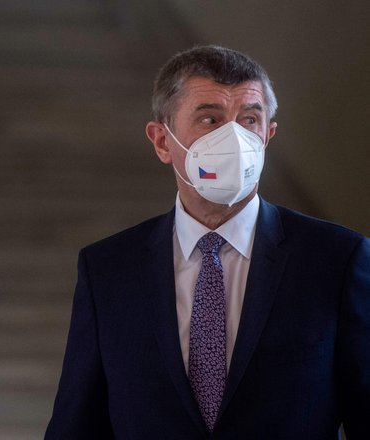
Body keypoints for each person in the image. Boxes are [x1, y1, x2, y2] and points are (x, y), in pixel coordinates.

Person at [45, 45, 369, 439]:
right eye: (210, 118)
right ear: (163, 141)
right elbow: (76, 425)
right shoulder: (109, 269)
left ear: (268, 135)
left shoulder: (335, 259)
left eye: (249, 119)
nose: (233, 137)